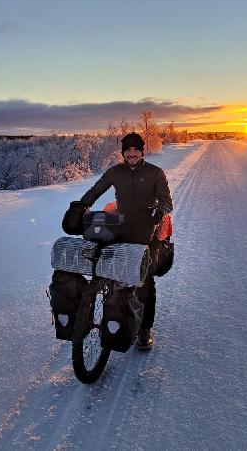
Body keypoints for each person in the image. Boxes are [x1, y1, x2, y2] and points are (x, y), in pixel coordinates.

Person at [79, 132, 173, 349]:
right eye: (127, 151)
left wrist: (159, 212)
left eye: (135, 150)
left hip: (148, 229)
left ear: (142, 151)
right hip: (121, 226)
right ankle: (116, 312)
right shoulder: (115, 172)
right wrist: (80, 206)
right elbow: (95, 190)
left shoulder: (155, 173)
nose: (131, 154)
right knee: (110, 270)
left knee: (145, 281)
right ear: (123, 153)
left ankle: (144, 329)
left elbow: (167, 201)